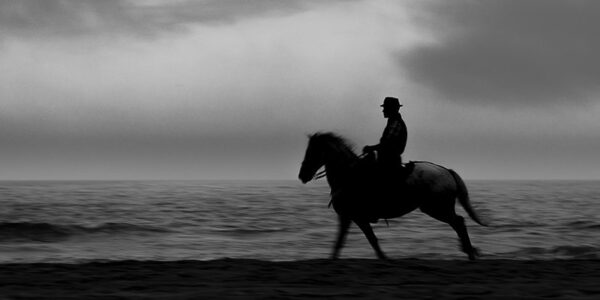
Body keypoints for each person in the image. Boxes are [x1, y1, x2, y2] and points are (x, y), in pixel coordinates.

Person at [362, 97, 407, 179]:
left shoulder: (396, 123)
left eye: (385, 108)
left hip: (389, 162)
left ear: (391, 109)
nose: (383, 110)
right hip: (388, 160)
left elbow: (387, 145)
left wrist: (371, 148)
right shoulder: (393, 122)